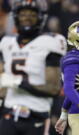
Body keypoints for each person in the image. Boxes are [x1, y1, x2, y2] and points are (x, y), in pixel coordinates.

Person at [0, 0, 67, 135]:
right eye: (23, 14)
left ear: (41, 17)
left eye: (32, 14)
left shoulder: (51, 42)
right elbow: (2, 86)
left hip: (37, 115)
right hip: (9, 114)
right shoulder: (6, 43)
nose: (27, 18)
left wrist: (18, 83)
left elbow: (53, 88)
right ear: (15, 16)